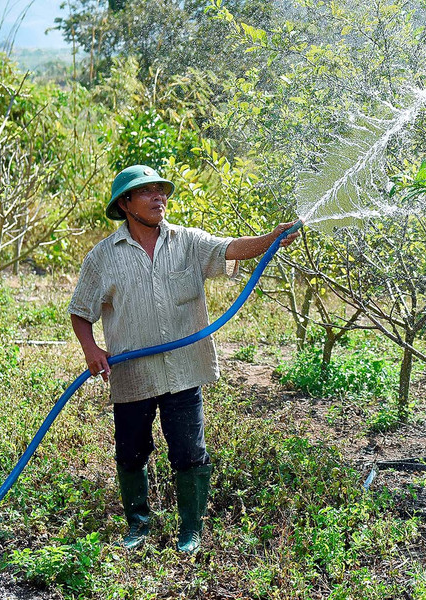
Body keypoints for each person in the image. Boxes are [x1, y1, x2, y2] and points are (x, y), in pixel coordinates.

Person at [68, 165, 299, 554]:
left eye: (162, 190)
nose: (159, 197)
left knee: (190, 452)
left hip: (183, 370)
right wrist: (92, 350)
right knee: (131, 452)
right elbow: (80, 310)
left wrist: (271, 238)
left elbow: (230, 248)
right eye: (148, 192)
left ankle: (190, 530)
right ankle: (138, 526)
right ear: (125, 204)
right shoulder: (103, 257)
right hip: (133, 373)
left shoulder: (188, 241)